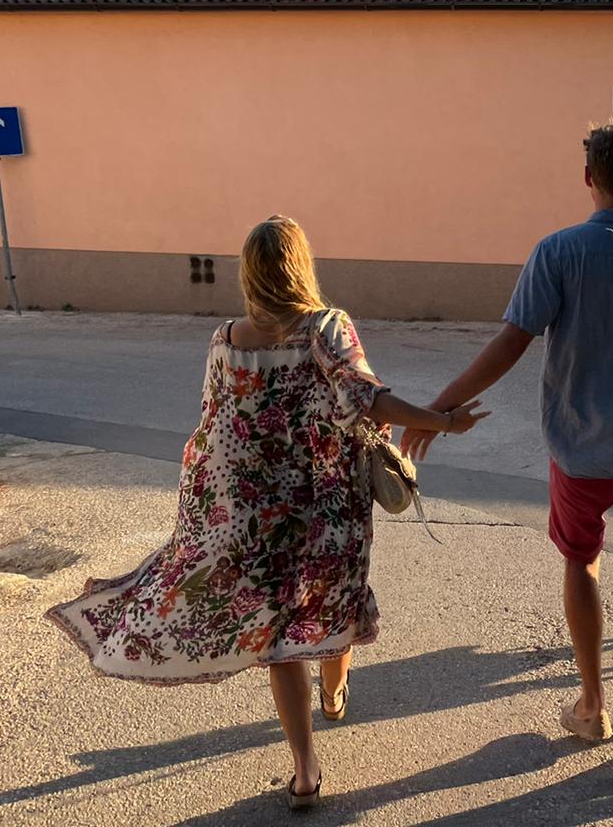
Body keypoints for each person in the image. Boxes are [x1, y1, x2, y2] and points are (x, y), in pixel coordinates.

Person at [46, 216, 486, 810]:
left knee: (279, 640)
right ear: (300, 265)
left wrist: (200, 521)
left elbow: (212, 430)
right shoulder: (326, 327)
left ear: (249, 273)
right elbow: (368, 398)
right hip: (324, 505)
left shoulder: (225, 339)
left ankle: (305, 772)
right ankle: (334, 693)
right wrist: (444, 421)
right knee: (328, 604)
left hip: (251, 514)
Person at [401, 124, 613, 784]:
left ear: (588, 178)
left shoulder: (556, 252)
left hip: (576, 451)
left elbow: (511, 343)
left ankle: (591, 706)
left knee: (581, 562)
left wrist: (440, 407)